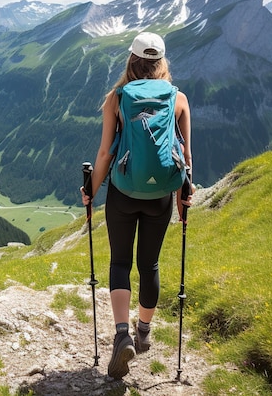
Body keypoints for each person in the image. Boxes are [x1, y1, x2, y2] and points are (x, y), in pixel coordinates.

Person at [81, 31, 194, 380]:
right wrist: (183, 196)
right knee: (150, 263)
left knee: (119, 262)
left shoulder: (116, 98)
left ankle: (121, 335)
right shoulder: (178, 99)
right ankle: (143, 330)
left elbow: (105, 152)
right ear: (162, 64)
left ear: (131, 61)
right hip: (160, 195)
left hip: (123, 193)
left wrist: (91, 189)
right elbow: (185, 156)